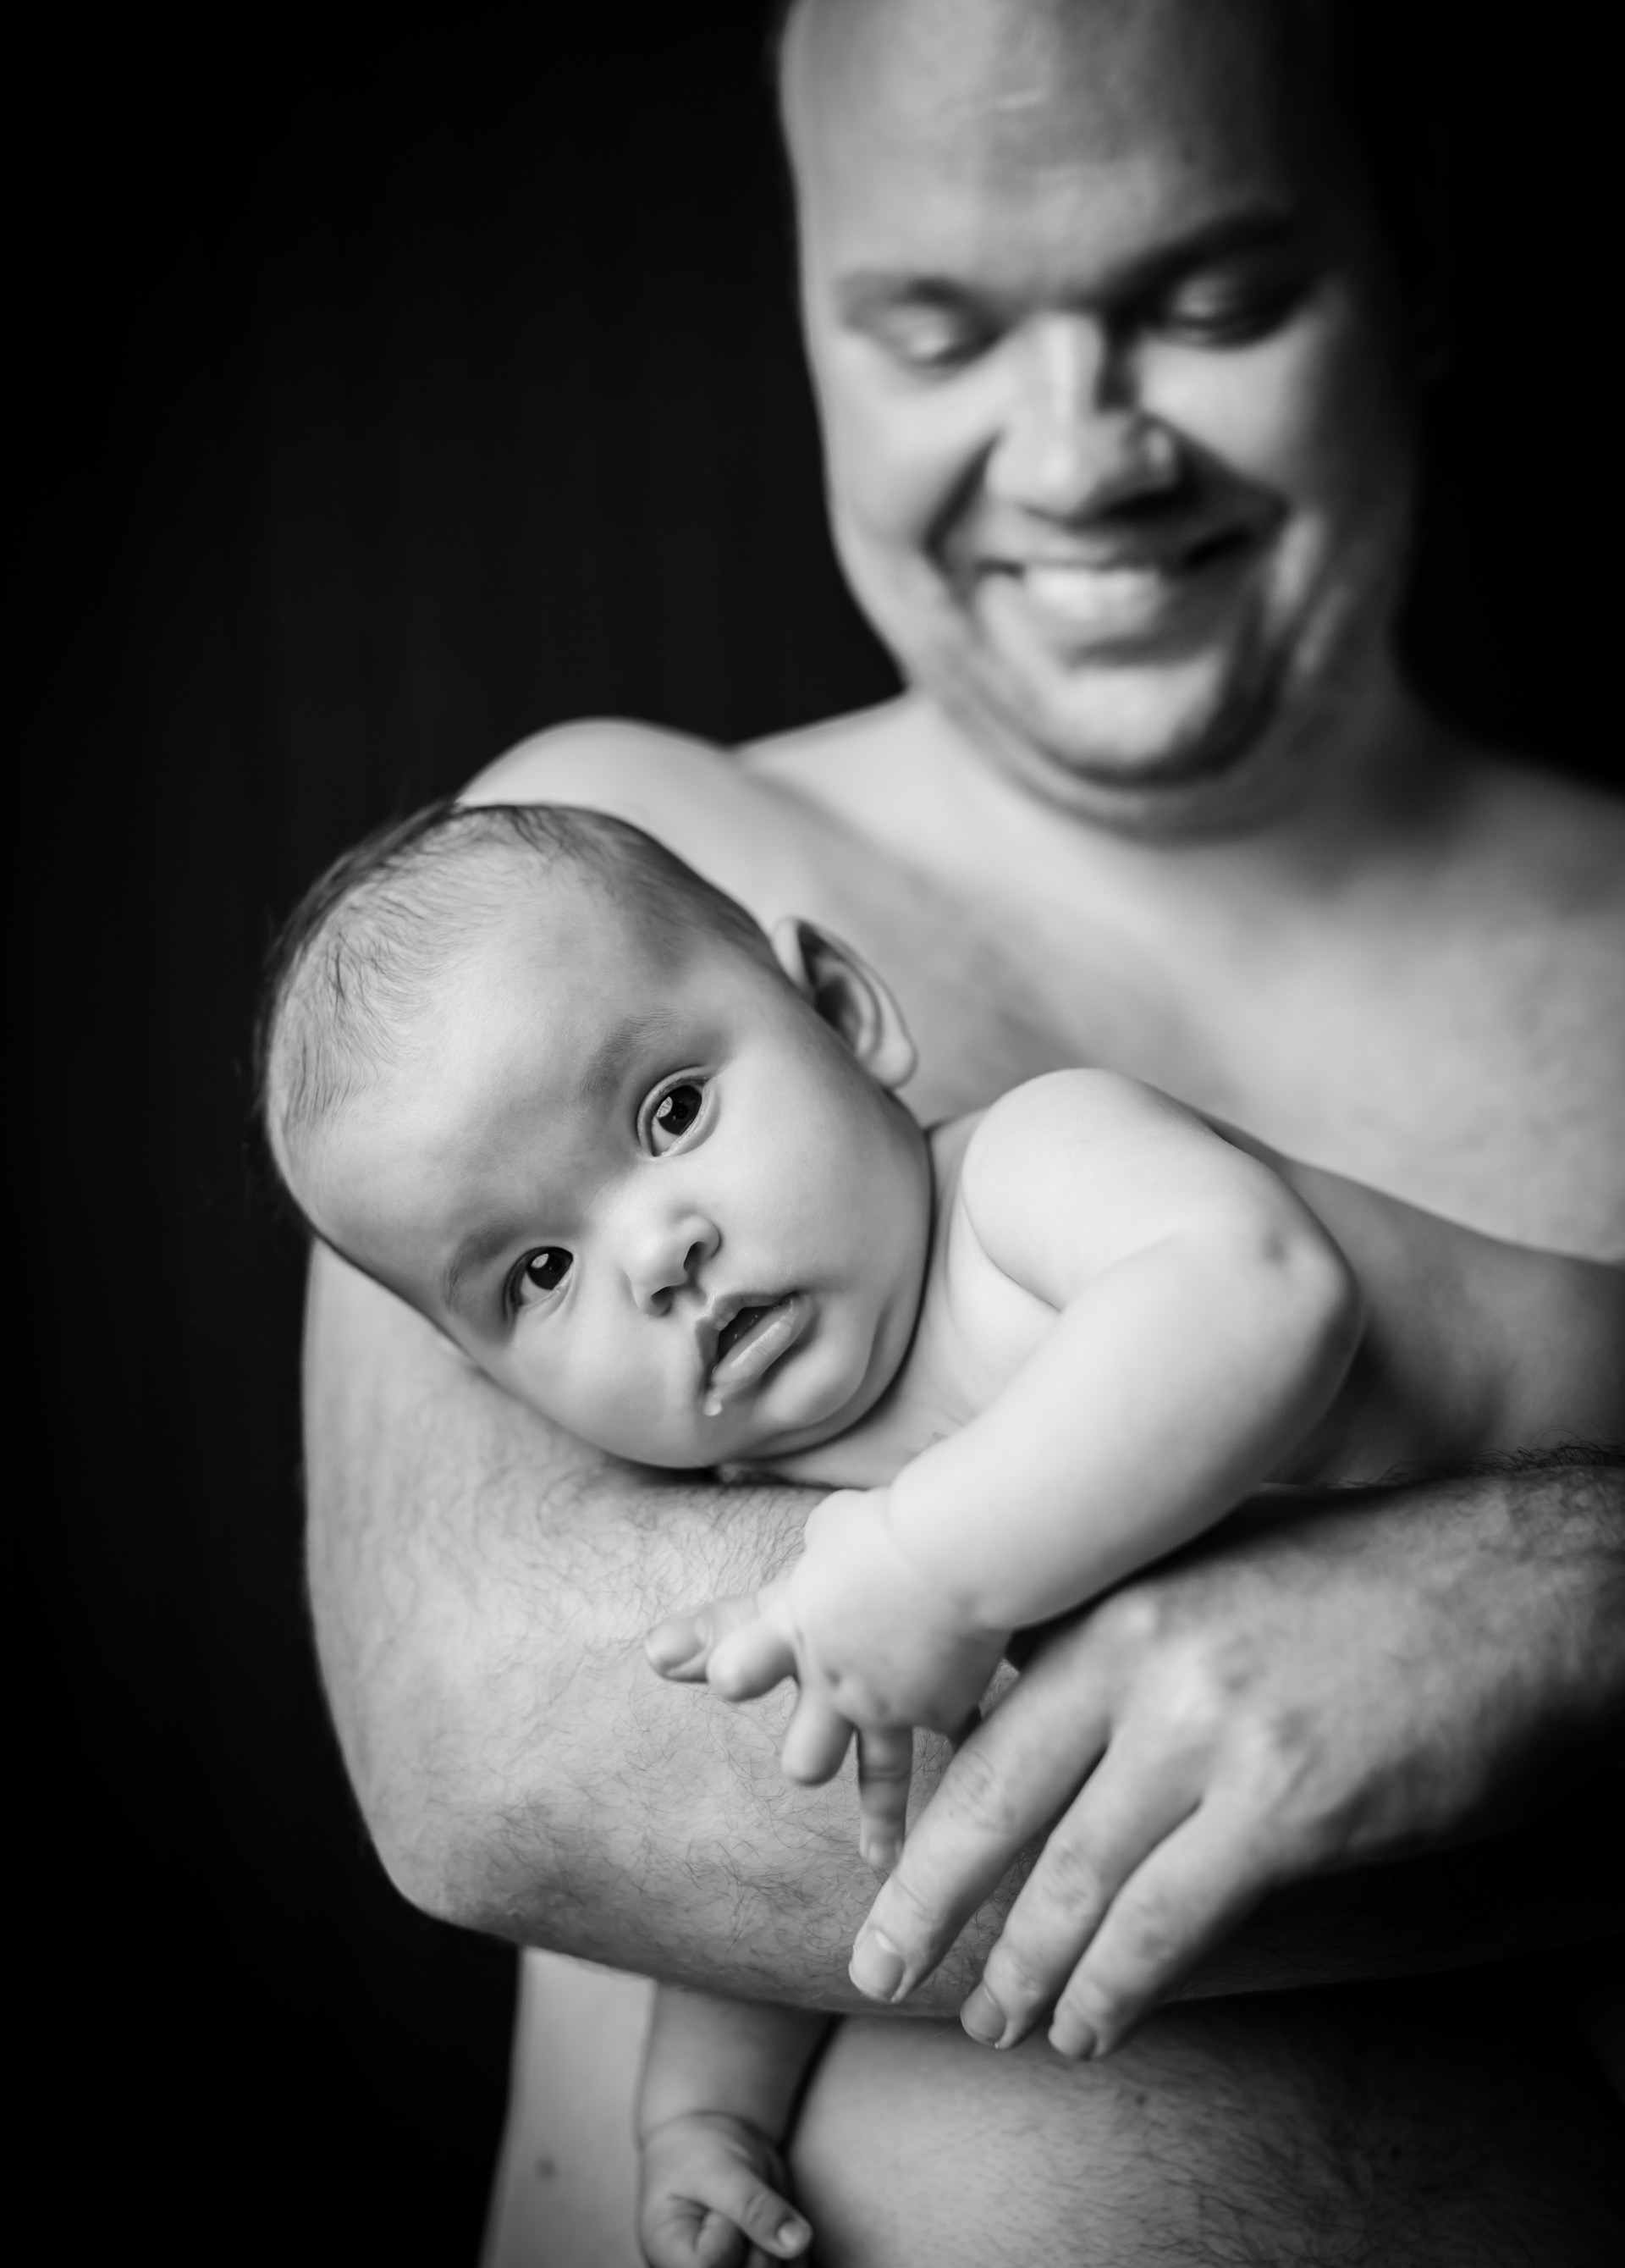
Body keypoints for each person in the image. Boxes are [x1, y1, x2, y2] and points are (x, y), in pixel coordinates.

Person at [303, 0, 1625, 2258]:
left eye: (1206, 304)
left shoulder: (991, 1143)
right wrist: (694, 2135)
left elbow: (868, 1661)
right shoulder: (574, 899)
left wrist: (1561, 1619)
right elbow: (526, 1770)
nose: (1076, 453)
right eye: (930, 333)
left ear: (1414, 255)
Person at [267, 795, 1622, 2266]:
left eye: (672, 1112)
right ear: (501, 1385)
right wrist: (703, 2118)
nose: (659, 1253)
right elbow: (808, 1846)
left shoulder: (1030, 1171)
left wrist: (928, 1562)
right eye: (540, 1269)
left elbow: (1261, 1294)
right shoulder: (781, 1517)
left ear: (843, 1015)